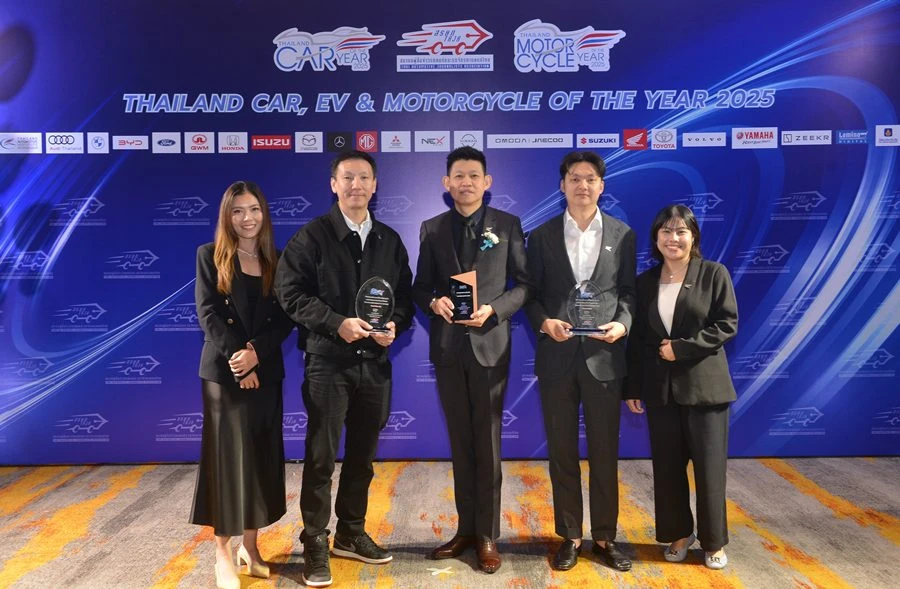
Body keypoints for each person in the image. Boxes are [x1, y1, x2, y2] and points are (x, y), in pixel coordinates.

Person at [275, 150, 414, 588]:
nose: (357, 185)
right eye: (348, 177)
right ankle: (315, 540)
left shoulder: (389, 240)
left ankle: (351, 533)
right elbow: (289, 294)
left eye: (364, 178)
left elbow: (404, 298)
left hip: (375, 366)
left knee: (362, 457)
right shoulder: (311, 237)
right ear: (333, 184)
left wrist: (395, 324)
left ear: (375, 185)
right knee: (321, 458)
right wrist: (337, 323)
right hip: (327, 365)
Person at [412, 146, 530, 574]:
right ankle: (465, 529)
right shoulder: (432, 228)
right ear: (447, 183)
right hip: (448, 349)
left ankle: (487, 535)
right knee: (461, 443)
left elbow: (525, 285)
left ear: (487, 182)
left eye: (473, 175)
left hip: (489, 346)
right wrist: (433, 301)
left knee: (488, 443)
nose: (466, 182)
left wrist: (495, 309)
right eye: (458, 176)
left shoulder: (508, 225)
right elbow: (419, 286)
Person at [524, 151, 636, 572]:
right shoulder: (542, 236)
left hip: (604, 358)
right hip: (557, 357)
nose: (582, 185)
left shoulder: (623, 234)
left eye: (590, 178)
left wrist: (623, 324)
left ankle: (605, 536)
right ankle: (570, 535)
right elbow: (531, 295)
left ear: (601, 186)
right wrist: (544, 322)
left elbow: (629, 293)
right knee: (562, 451)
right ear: (562, 185)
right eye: (574, 178)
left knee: (605, 452)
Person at [191, 181, 294, 589]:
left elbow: (285, 318)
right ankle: (222, 552)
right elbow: (208, 313)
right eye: (237, 211)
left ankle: (250, 547)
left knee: (260, 460)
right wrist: (240, 360)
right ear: (226, 216)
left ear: (264, 213)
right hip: (223, 374)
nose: (247, 218)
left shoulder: (278, 260)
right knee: (227, 464)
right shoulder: (209, 255)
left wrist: (256, 355)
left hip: (265, 371)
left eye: (253, 209)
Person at [625, 204, 738, 570]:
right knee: (668, 469)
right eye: (666, 231)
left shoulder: (714, 273)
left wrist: (682, 349)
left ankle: (713, 542)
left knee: (709, 471)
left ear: (693, 237)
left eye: (681, 232)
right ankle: (678, 534)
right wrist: (632, 387)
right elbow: (639, 340)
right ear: (656, 238)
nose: (673, 238)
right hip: (661, 392)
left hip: (706, 391)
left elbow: (727, 324)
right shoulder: (645, 282)